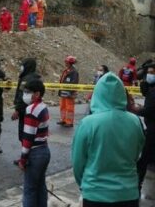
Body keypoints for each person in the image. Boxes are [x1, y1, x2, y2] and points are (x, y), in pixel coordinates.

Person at [72, 72, 145, 207]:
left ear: (97, 94)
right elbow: (137, 154)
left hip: (95, 194)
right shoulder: (134, 121)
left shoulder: (88, 123)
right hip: (128, 193)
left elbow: (78, 161)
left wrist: (85, 185)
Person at [17, 79, 50, 207]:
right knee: (41, 187)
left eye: (27, 92)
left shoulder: (31, 110)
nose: (25, 94)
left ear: (37, 94)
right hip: (44, 151)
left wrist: (23, 159)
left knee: (29, 190)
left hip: (35, 153)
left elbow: (28, 138)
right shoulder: (43, 106)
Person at [12, 58, 41, 165]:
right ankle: (29, 157)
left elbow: (22, 97)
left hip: (25, 111)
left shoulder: (26, 80)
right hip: (34, 111)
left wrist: (17, 110)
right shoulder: (37, 78)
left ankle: (25, 158)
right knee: (32, 134)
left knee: (24, 136)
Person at [136, 63, 155, 194]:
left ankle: (137, 185)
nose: (149, 75)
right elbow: (144, 91)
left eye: (152, 72)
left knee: (144, 157)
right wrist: (143, 79)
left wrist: (137, 110)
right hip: (151, 125)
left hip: (153, 128)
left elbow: (150, 110)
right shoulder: (151, 87)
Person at [58, 56, 79, 127]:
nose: (65, 63)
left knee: (69, 108)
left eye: (66, 62)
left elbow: (74, 83)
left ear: (70, 63)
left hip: (69, 93)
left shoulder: (74, 72)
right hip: (63, 92)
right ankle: (63, 120)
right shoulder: (66, 71)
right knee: (62, 107)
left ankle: (69, 122)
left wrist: (70, 91)